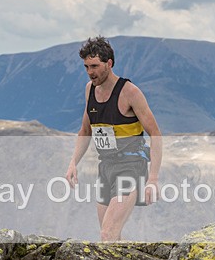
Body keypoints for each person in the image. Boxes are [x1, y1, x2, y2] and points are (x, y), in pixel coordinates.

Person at [65, 36, 162, 241]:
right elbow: (85, 130)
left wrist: (153, 179)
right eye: (86, 67)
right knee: (111, 239)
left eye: (95, 66)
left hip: (130, 166)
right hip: (106, 167)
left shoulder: (130, 92)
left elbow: (155, 133)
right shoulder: (89, 90)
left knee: (107, 234)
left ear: (109, 64)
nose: (90, 72)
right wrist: (73, 163)